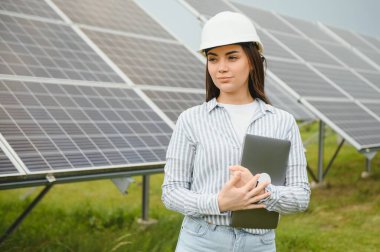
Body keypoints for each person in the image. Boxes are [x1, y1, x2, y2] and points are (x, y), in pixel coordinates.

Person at [162, 11, 310, 252]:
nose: (221, 68)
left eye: (232, 57)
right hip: (200, 241)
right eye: (213, 59)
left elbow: (301, 197)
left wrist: (262, 192)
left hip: (259, 244)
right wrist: (219, 203)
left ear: (251, 61)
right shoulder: (191, 120)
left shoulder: (283, 122)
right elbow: (171, 192)